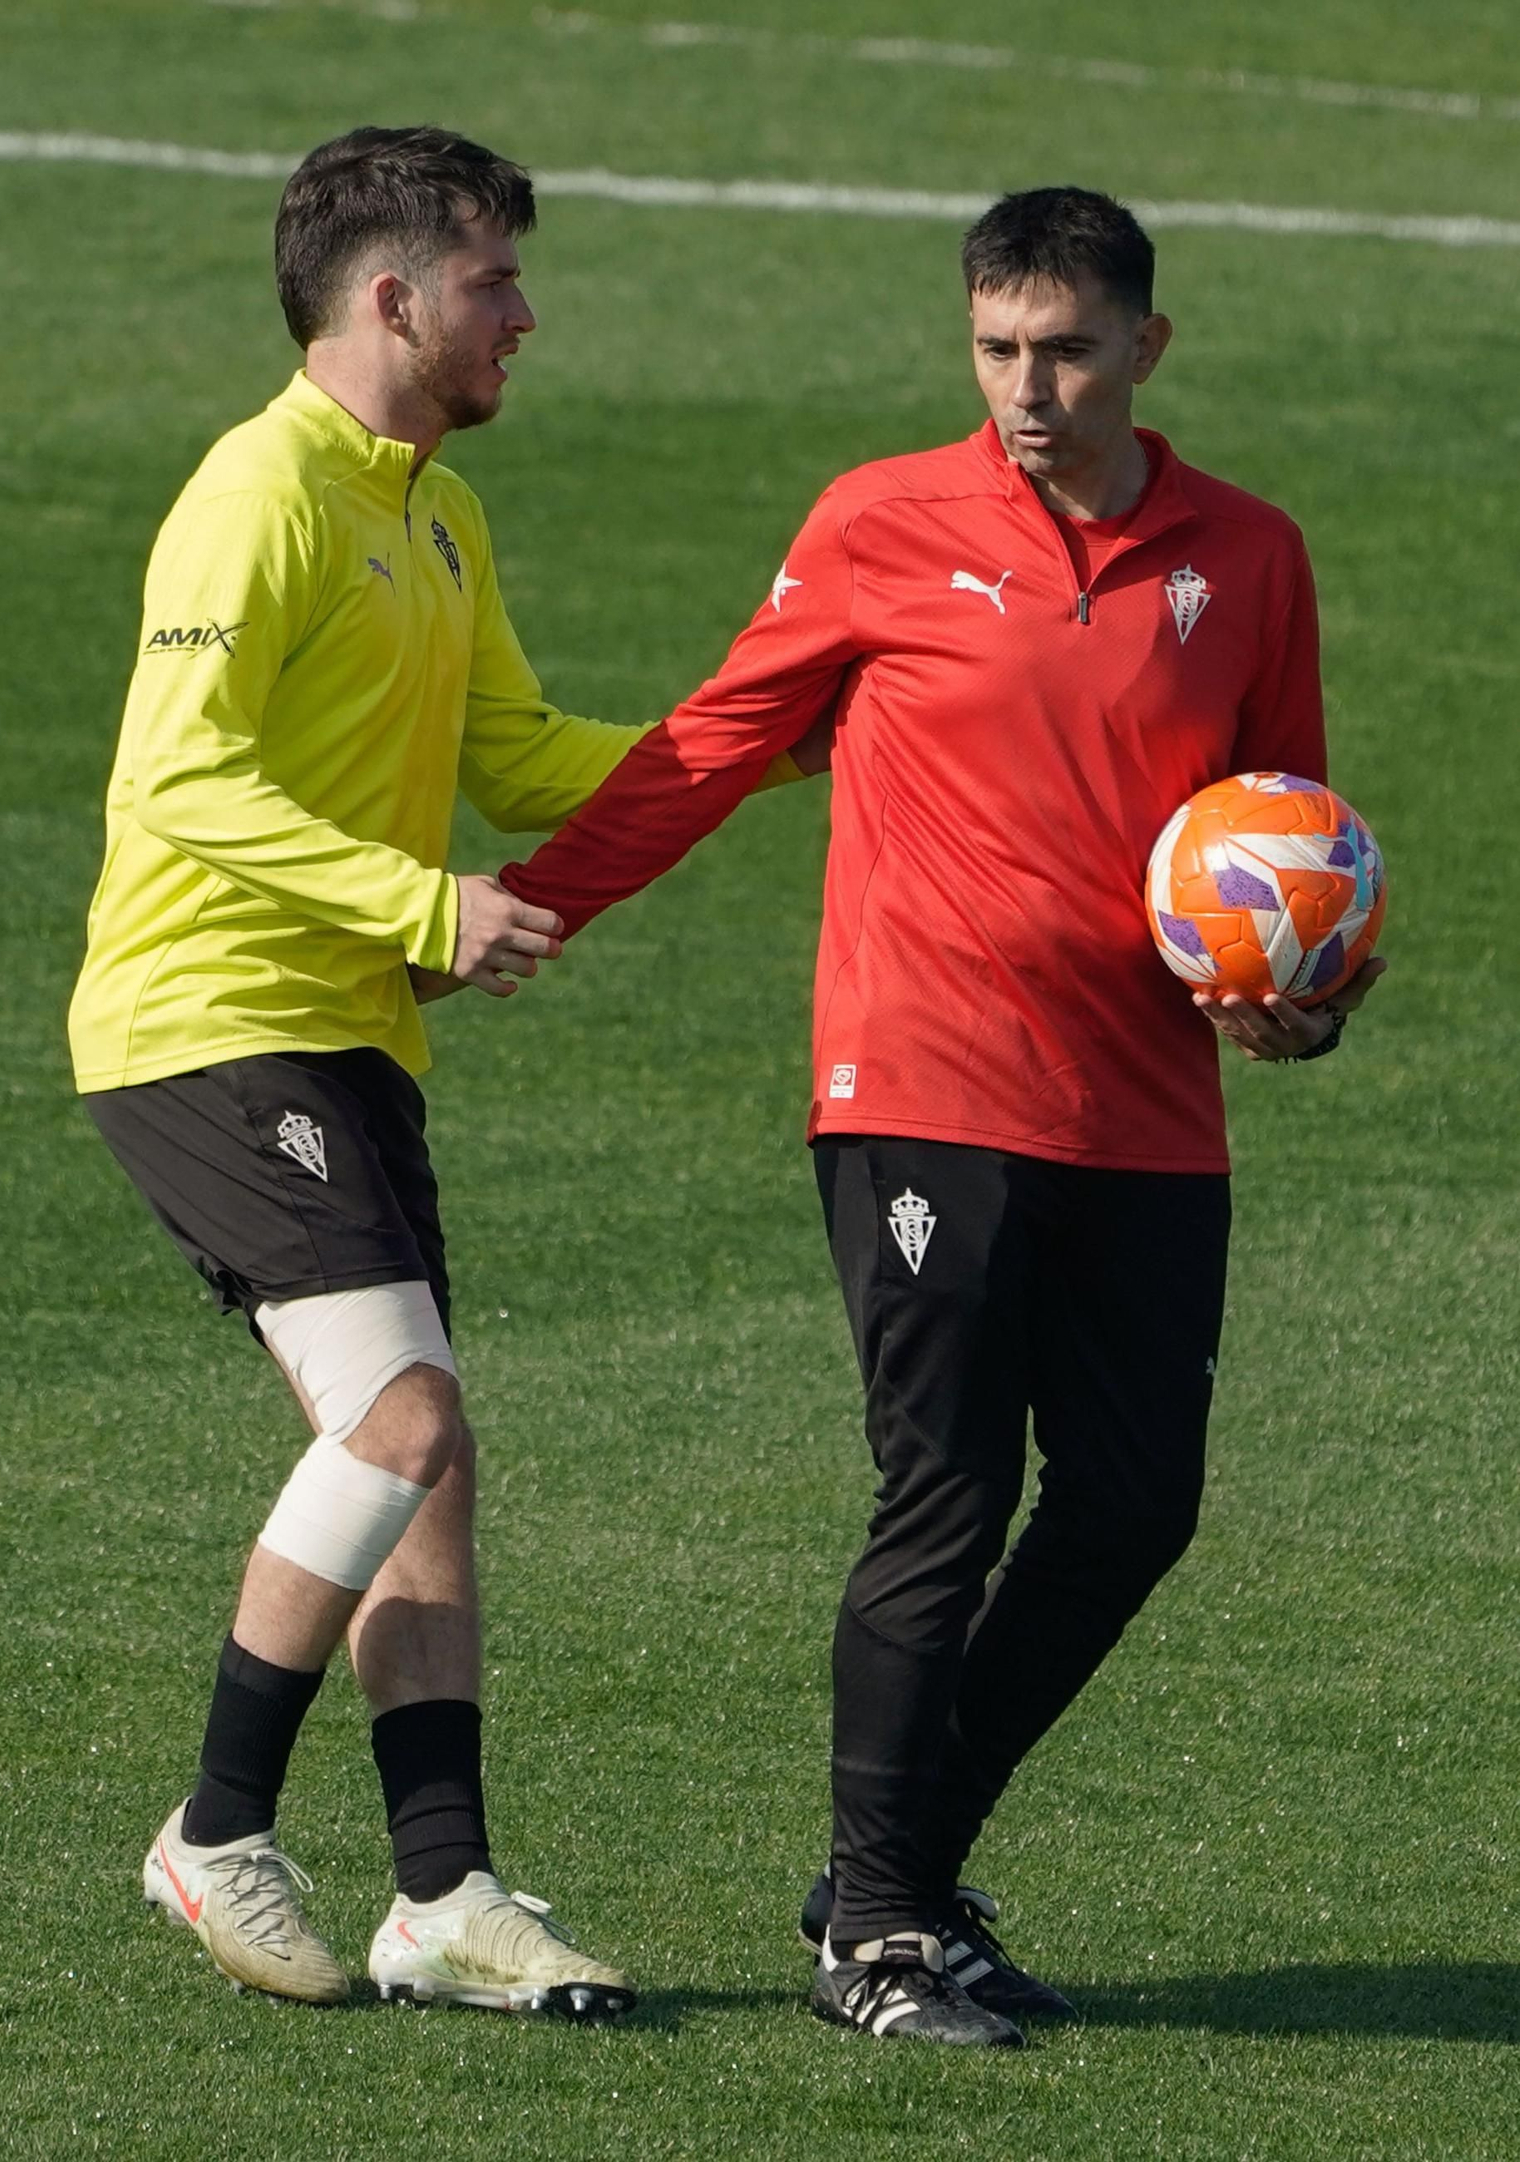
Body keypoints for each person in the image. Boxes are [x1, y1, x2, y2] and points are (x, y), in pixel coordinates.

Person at [502, 187, 1386, 2047]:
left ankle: (889, 1867)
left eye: (1064, 350)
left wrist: (1305, 1000)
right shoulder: (880, 522)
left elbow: (1285, 835)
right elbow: (714, 739)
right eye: (995, 349)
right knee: (951, 1486)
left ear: (1147, 346)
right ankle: (883, 1932)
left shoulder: (1251, 555)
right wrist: (529, 908)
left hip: (1146, 1107)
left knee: (1135, 1505)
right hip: (923, 1079)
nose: (1026, 390)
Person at [68, 123, 809, 2016]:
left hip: (345, 1031)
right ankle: (215, 1830)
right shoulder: (259, 493)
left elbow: (524, 751)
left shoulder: (438, 510)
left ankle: (440, 1893)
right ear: (394, 298)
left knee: (429, 1462)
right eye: (496, 283)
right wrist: (422, 902)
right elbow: (177, 773)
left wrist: (762, 742)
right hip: (205, 1018)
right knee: (396, 1423)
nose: (525, 318)